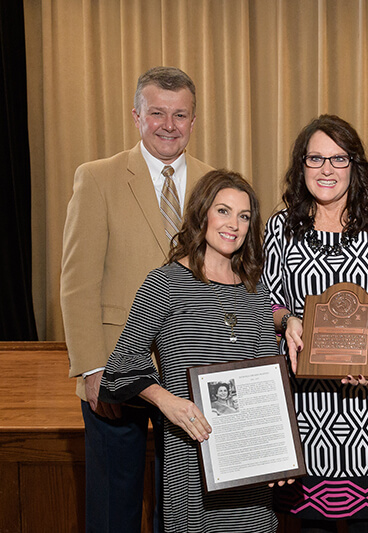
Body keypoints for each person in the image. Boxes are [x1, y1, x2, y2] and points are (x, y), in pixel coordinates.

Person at [60, 66, 212, 532]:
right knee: (113, 505)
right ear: (136, 116)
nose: (169, 125)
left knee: (182, 507)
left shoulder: (214, 183)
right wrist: (91, 368)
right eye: (157, 113)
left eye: (180, 115)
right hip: (115, 366)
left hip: (190, 371)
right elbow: (77, 282)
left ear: (193, 120)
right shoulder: (97, 177)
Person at [100, 170, 281, 532]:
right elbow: (121, 365)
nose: (234, 225)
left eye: (244, 216)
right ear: (202, 214)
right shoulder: (165, 282)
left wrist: (280, 452)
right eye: (223, 211)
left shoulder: (256, 292)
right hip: (190, 452)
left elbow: (268, 379)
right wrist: (167, 401)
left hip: (249, 459)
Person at [263, 114, 368, 532]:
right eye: (315, 158)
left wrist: (363, 350)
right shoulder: (280, 226)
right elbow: (268, 299)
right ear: (302, 165)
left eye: (338, 158)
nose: (326, 169)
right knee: (312, 526)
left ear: (354, 165)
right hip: (307, 409)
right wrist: (287, 320)